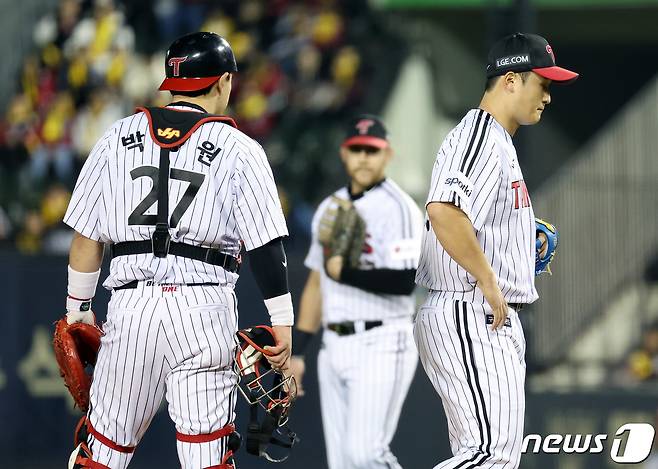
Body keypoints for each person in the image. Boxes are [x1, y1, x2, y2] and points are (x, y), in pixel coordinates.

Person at [62, 32, 294, 469]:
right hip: (204, 307)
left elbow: (86, 238)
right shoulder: (240, 149)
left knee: (103, 451)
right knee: (207, 455)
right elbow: (266, 247)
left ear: (170, 81)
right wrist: (282, 324)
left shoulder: (117, 136)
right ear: (224, 81)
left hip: (130, 307)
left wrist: (78, 312)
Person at [414, 32, 578, 468]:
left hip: (478, 314)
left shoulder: (498, 141)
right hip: (472, 312)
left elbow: (470, 215)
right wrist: (489, 278)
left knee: (484, 455)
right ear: (510, 80)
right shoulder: (481, 136)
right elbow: (445, 211)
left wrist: (520, 237)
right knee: (491, 457)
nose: (547, 96)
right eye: (542, 84)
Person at [289, 115, 422, 469]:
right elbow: (317, 282)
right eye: (357, 149)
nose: (364, 157)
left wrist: (344, 272)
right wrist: (299, 352)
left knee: (367, 454)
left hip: (382, 340)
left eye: (372, 150)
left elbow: (405, 281)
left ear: (387, 154)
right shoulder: (330, 208)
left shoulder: (400, 208)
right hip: (333, 346)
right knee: (345, 463)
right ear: (343, 154)